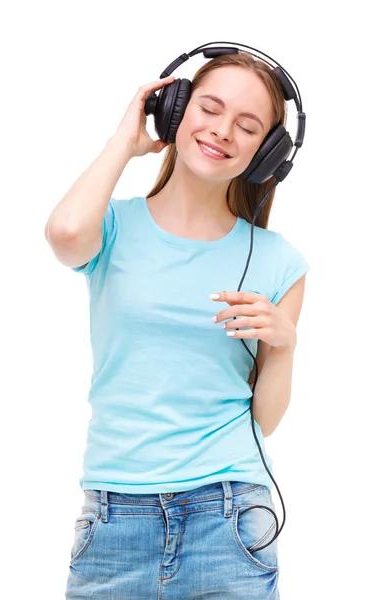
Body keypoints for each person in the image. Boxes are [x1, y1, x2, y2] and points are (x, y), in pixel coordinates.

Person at [45, 49, 310, 599]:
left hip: (231, 514)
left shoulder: (278, 261)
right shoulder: (111, 225)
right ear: (174, 111)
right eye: (208, 109)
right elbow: (66, 235)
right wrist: (126, 141)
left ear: (267, 155)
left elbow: (266, 420)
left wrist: (283, 346)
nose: (221, 131)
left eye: (248, 126)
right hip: (115, 516)